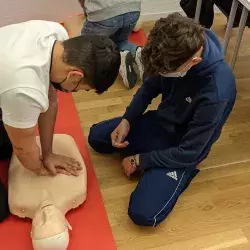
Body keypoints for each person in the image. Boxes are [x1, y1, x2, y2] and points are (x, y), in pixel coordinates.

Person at [88, 13, 236, 227]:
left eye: (166, 72)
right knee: (97, 137)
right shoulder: (170, 47)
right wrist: (128, 120)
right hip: (159, 124)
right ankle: (150, 161)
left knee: (143, 214)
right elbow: (149, 87)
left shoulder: (217, 90)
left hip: (182, 149)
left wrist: (141, 160)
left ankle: (173, 174)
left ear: (193, 62)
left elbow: (191, 151)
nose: (160, 74)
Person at [0, 20, 120, 221]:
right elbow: (23, 150)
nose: (77, 92)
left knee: (6, 148)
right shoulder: (24, 89)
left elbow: (50, 100)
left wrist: (48, 154)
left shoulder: (56, 35)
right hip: (12, 87)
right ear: (75, 75)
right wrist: (40, 168)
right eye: (83, 88)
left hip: (9, 84)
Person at [78, 0, 143, 89]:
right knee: (120, 41)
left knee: (84, 47)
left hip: (103, 13)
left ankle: (115, 62)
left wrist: (85, 9)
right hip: (133, 10)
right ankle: (136, 52)